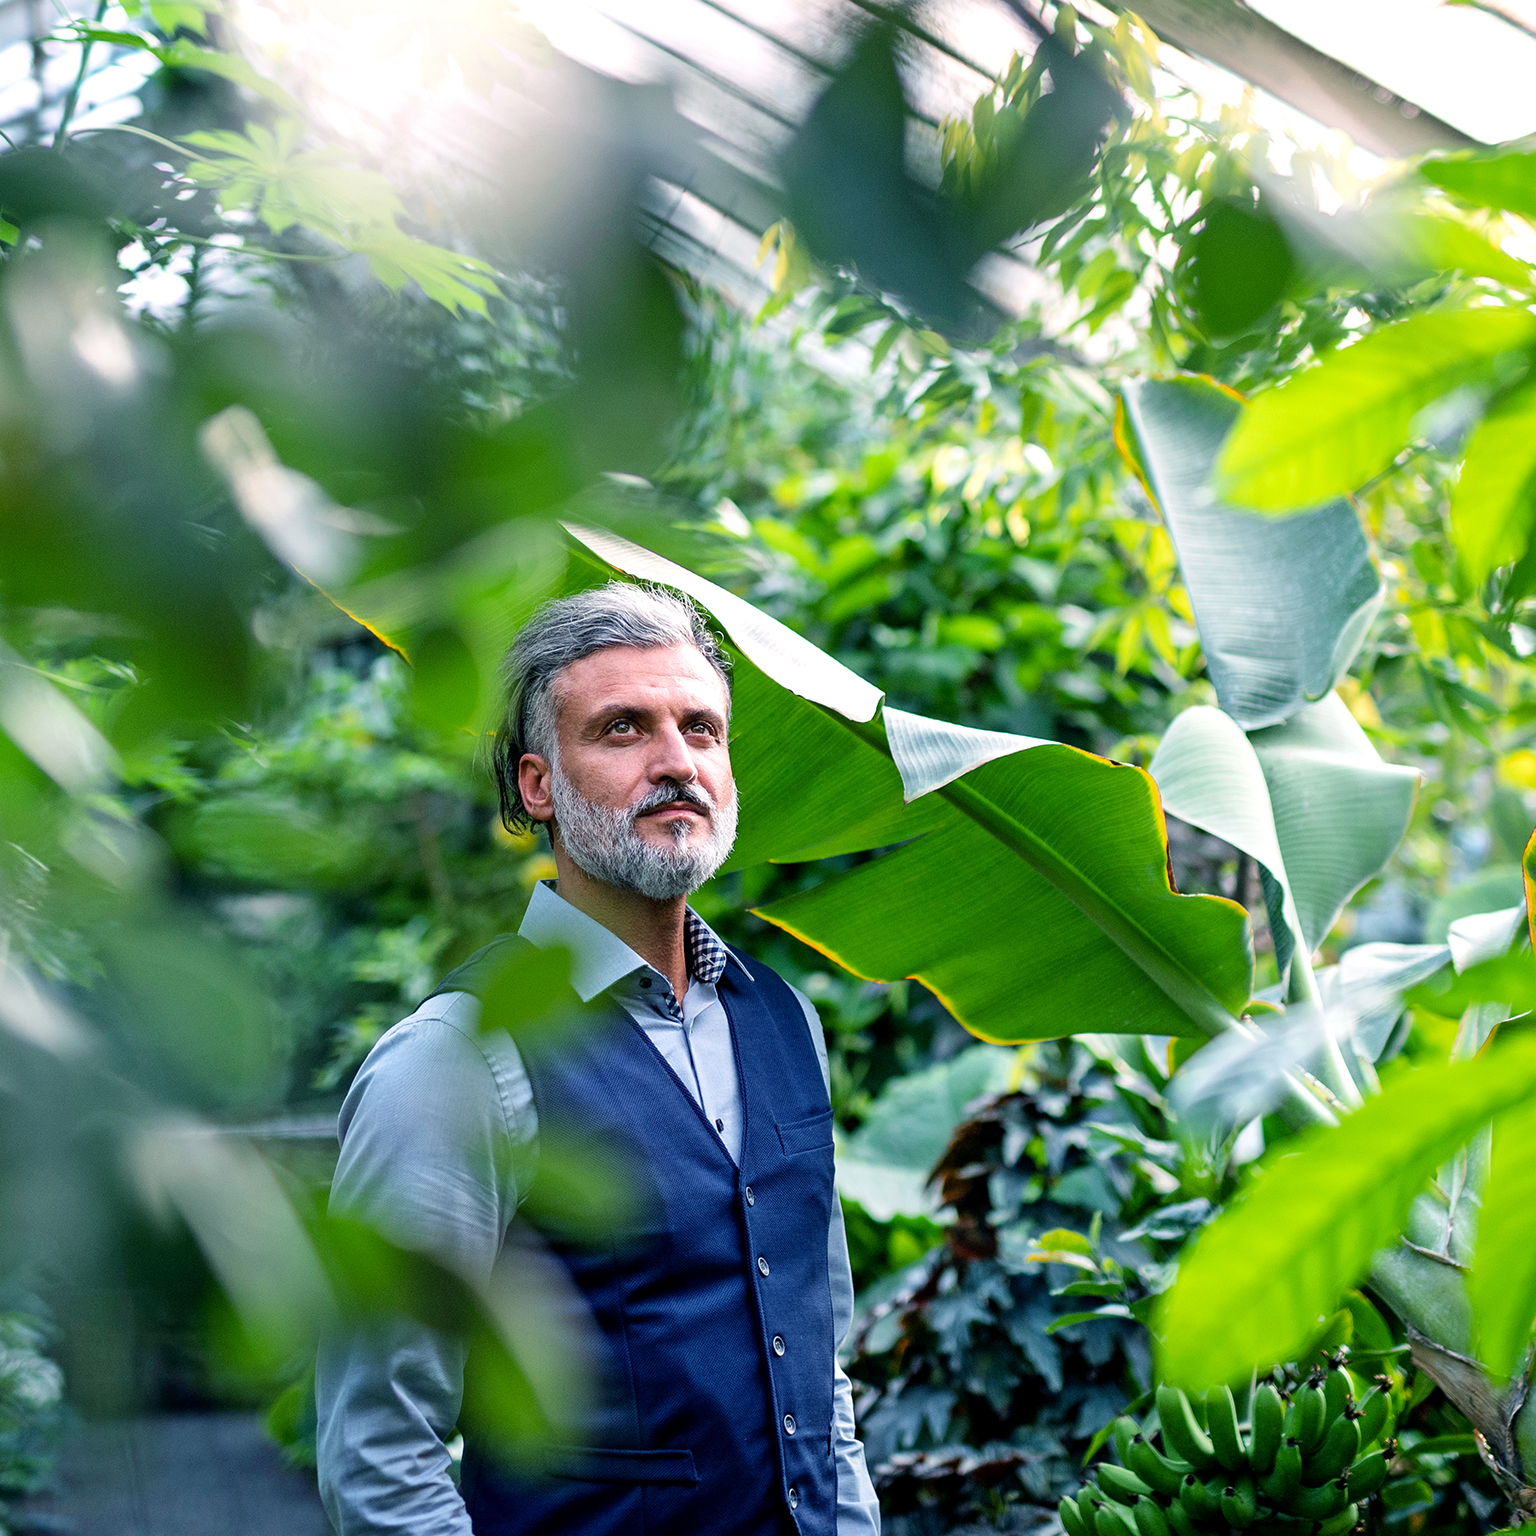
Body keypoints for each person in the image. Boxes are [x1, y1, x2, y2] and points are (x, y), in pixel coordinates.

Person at [315, 581, 880, 1536]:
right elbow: (382, 1451)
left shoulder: (786, 1023)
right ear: (538, 784)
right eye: (623, 729)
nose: (677, 763)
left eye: (701, 730)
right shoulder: (455, 1059)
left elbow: (818, 1376)